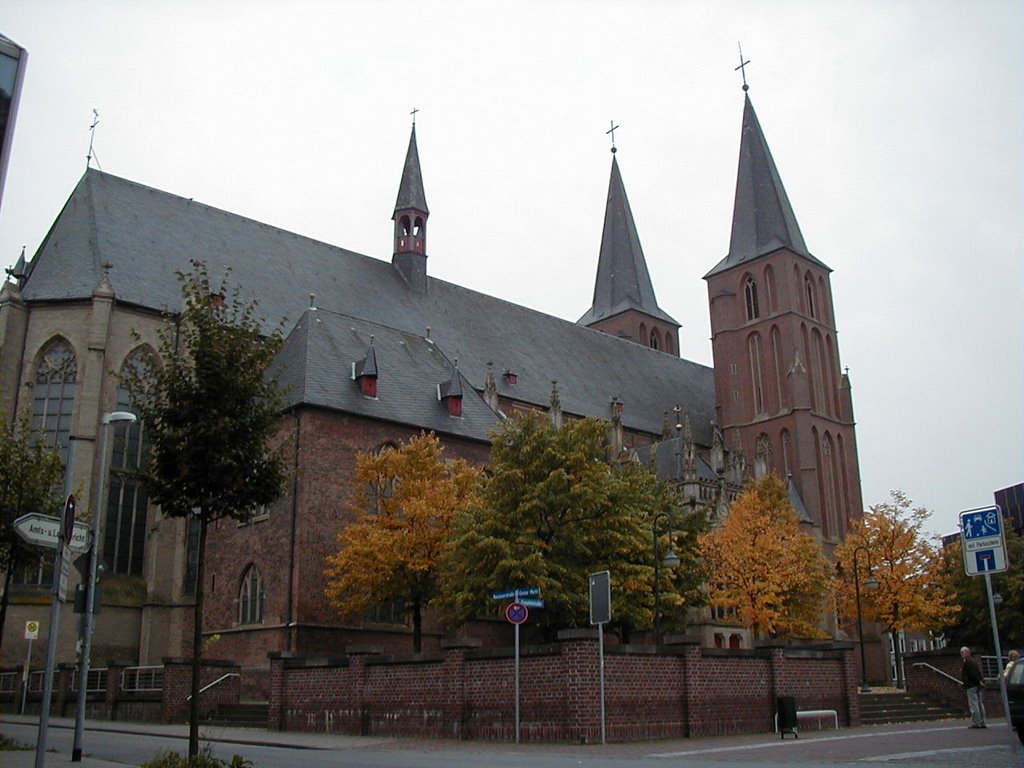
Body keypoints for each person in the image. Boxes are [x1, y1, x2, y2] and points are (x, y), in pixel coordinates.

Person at [960, 646, 986, 728]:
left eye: (963, 652)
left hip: (971, 685)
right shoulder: (973, 661)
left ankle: (977, 722)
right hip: (977, 685)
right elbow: (977, 673)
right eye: (961, 652)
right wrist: (980, 682)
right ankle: (982, 721)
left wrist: (976, 681)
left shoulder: (968, 662)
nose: (961, 654)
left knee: (974, 705)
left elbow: (972, 674)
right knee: (979, 704)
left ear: (968, 652)